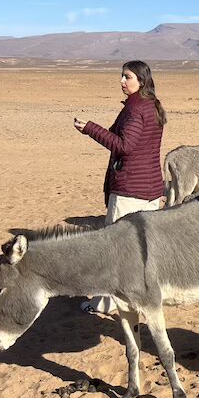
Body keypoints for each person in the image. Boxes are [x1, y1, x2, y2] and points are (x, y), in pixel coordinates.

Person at [74, 60, 166, 313]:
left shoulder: (136, 110)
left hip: (130, 190)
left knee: (115, 249)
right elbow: (118, 136)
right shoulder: (149, 106)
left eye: (127, 77)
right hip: (149, 189)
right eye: (122, 76)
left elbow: (124, 146)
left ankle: (107, 302)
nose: (122, 81)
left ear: (141, 80)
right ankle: (140, 296)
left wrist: (91, 129)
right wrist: (90, 129)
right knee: (142, 250)